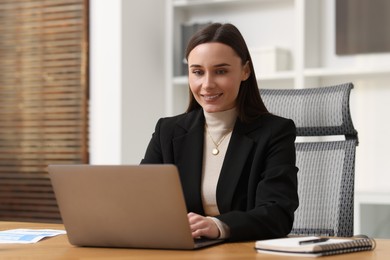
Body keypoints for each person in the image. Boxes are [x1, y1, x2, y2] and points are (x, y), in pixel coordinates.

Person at [141, 23, 298, 242]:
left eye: (221, 71)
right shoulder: (167, 132)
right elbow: (141, 202)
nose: (207, 84)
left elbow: (277, 215)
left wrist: (218, 226)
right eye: (197, 72)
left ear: (245, 71)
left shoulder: (274, 133)